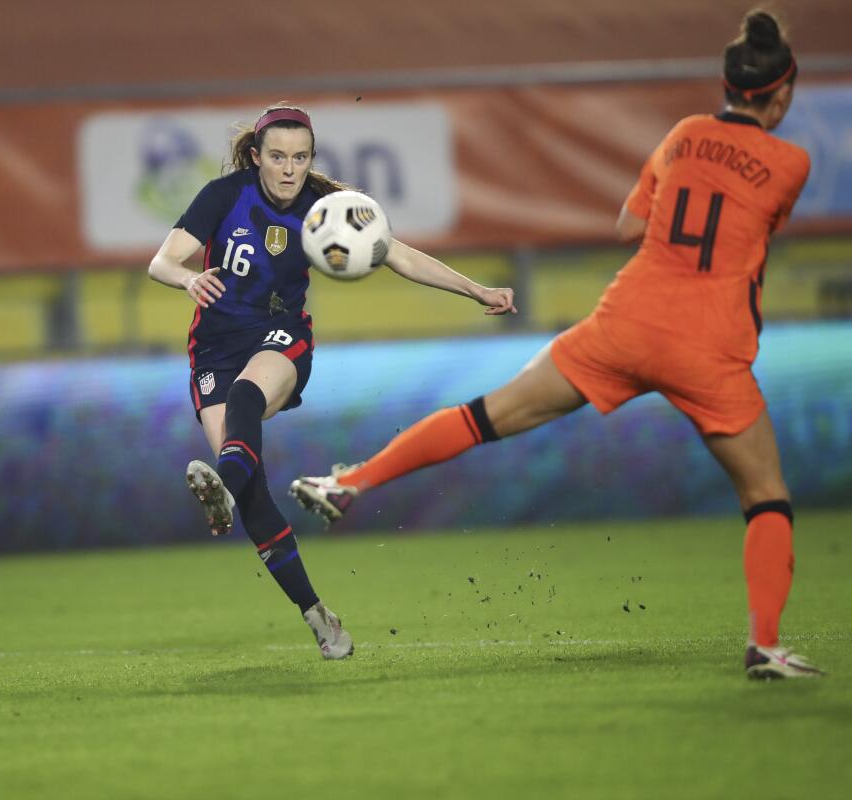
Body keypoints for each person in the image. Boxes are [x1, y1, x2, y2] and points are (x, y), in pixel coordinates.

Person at [291, 11, 822, 680]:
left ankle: (351, 481)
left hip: (625, 321)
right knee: (766, 495)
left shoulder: (684, 137)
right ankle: (765, 647)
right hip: (709, 342)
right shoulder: (792, 162)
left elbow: (631, 225)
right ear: (783, 93)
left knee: (486, 415)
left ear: (726, 83)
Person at [148, 104, 515, 658]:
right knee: (254, 498)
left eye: (300, 157)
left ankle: (220, 483)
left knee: (248, 397)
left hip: (282, 338)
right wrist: (188, 279)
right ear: (256, 157)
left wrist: (478, 291)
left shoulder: (328, 205)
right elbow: (162, 262)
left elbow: (400, 256)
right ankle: (318, 614)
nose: (290, 169)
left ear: (310, 158)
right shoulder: (224, 195)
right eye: (278, 157)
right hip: (214, 348)